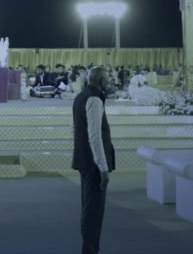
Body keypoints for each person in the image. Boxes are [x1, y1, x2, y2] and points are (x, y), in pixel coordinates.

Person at [72, 66, 115, 254]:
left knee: (88, 208)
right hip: (94, 165)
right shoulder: (94, 100)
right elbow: (95, 137)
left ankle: (89, 248)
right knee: (94, 212)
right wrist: (103, 168)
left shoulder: (80, 97)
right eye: (108, 79)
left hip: (84, 160)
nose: (110, 82)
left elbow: (74, 129)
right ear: (101, 81)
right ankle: (90, 250)